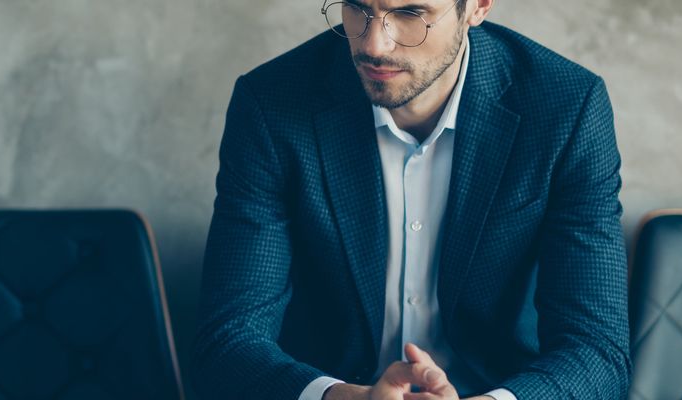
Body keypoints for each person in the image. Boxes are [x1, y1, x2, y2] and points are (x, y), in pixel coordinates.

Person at [192, 0, 631, 399]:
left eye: (410, 14)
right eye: (357, 8)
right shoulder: (271, 103)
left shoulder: (567, 109)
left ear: (477, 6)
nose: (374, 44)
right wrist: (345, 398)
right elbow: (227, 342)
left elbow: (597, 352)